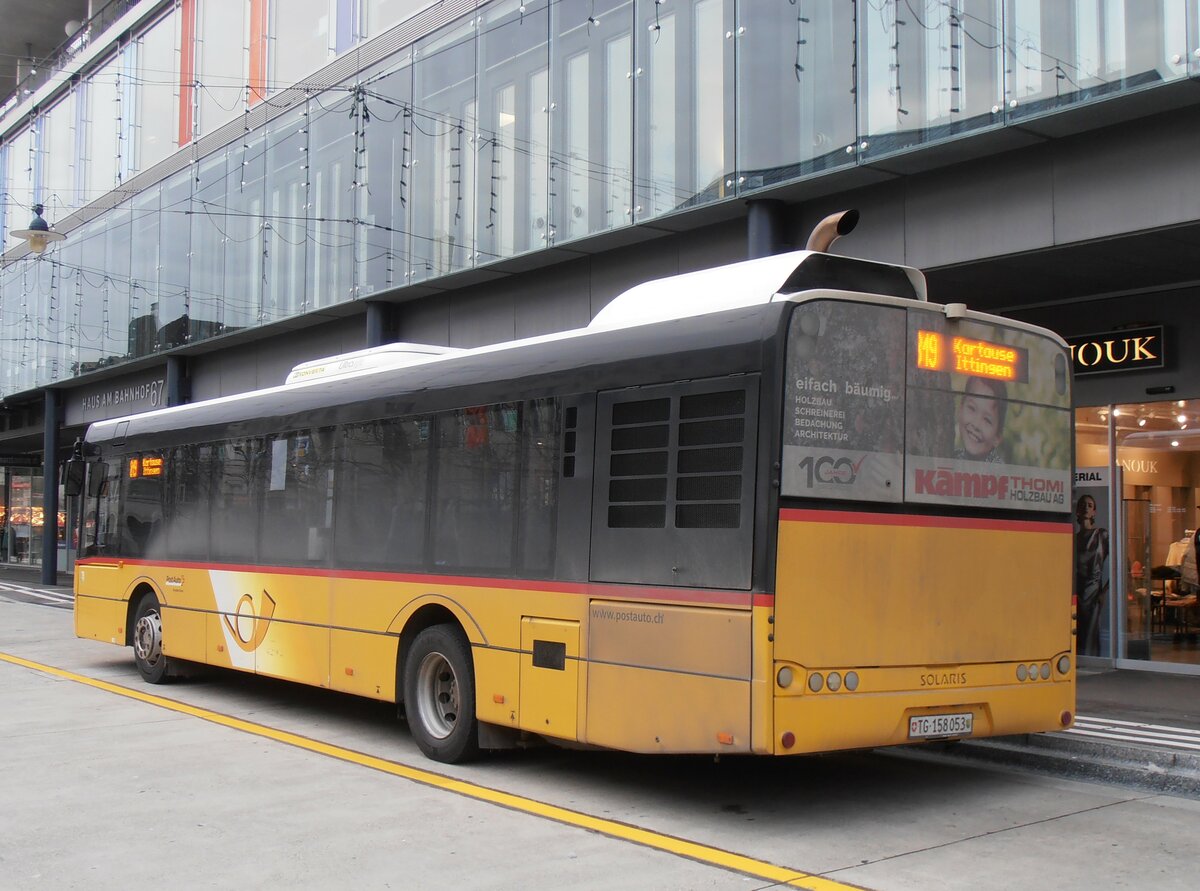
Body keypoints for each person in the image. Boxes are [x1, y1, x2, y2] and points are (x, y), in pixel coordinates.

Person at [1075, 494, 1109, 656]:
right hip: (1077, 594)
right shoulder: (1073, 539)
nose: (1086, 507)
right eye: (1082, 504)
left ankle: (1093, 660)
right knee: (1078, 632)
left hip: (1093, 594)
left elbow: (1120, 563)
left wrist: (1104, 592)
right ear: (1077, 510)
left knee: (1090, 635)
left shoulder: (1101, 535)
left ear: (1094, 511)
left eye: (1090, 505)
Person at [953, 376, 1007, 463]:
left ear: (997, 437)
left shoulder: (997, 470)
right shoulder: (953, 457)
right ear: (960, 409)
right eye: (972, 408)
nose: (976, 424)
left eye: (987, 420)